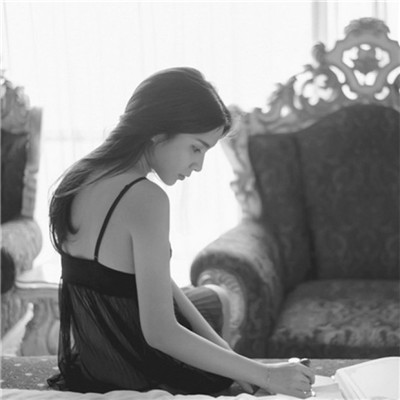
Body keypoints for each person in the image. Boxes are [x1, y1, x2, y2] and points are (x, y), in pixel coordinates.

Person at [48, 67, 315, 398]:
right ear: (158, 133)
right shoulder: (144, 198)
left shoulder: (79, 177)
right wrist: (267, 375)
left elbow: (150, 282)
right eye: (196, 148)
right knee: (218, 305)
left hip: (94, 359)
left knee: (216, 299)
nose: (199, 165)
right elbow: (160, 333)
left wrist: (238, 363)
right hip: (132, 367)